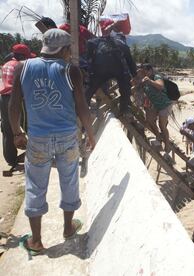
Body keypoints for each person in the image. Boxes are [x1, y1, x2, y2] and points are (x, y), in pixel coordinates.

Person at [9, 29, 96, 255]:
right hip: (67, 137)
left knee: (35, 186)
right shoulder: (71, 71)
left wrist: (17, 132)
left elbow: (14, 104)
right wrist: (91, 133)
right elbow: (82, 106)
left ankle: (36, 241)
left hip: (37, 138)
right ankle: (68, 228)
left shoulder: (23, 67)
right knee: (69, 180)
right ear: (65, 49)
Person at [1, 44, 35, 170]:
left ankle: (11, 159)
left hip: (3, 98)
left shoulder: (6, 64)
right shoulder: (19, 66)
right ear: (22, 56)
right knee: (28, 125)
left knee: (7, 129)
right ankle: (37, 153)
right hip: (16, 98)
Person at [86, 31, 137, 116]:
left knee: (91, 87)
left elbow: (90, 43)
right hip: (117, 70)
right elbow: (130, 62)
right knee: (125, 85)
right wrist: (134, 75)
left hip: (100, 69)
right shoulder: (123, 44)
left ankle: (84, 104)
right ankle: (124, 108)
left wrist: (90, 59)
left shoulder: (100, 40)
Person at [135, 64, 172, 155]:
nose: (145, 73)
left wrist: (150, 81)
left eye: (146, 71)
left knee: (162, 126)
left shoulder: (156, 77)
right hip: (156, 105)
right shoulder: (143, 79)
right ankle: (158, 135)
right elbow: (135, 86)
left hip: (165, 105)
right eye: (143, 72)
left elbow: (160, 86)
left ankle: (168, 146)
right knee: (150, 120)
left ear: (151, 70)